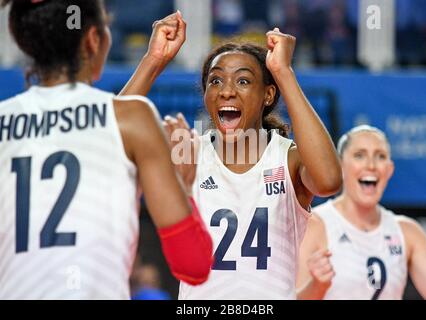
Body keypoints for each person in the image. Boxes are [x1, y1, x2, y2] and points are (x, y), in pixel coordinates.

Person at [0, 0, 213, 299]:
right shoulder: (134, 119)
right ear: (93, 39)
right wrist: (185, 189)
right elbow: (194, 265)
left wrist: (152, 62)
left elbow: (87, 129)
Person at [122, 14, 342, 298]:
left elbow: (329, 180)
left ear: (268, 95)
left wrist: (284, 72)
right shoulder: (187, 151)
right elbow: (111, 146)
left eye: (243, 81)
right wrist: (152, 60)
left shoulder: (287, 158)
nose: (226, 91)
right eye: (215, 81)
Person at [296, 125, 426, 300]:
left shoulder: (408, 233)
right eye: (359, 155)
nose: (371, 165)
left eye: (380, 156)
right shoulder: (312, 225)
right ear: (340, 166)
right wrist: (316, 286)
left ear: (389, 170)